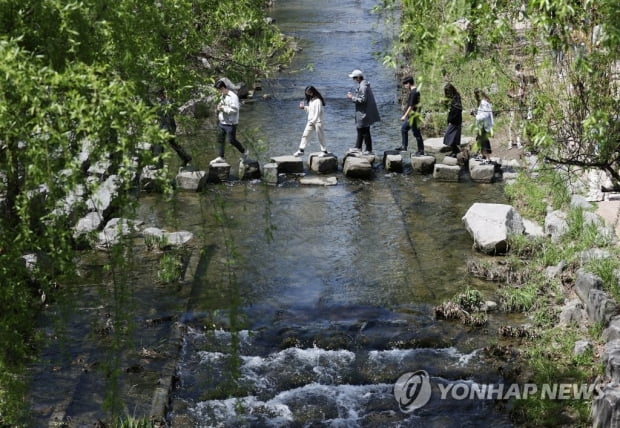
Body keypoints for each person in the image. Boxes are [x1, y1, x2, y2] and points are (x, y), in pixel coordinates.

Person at [212, 80, 249, 164]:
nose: (218, 92)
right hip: (222, 122)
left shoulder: (233, 96)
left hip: (231, 123)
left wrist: (223, 109)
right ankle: (221, 157)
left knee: (232, 140)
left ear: (223, 88)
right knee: (220, 139)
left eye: (219, 90)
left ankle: (244, 152)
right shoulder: (223, 95)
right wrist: (219, 106)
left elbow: (235, 110)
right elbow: (222, 104)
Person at [346, 69, 380, 154]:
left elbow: (363, 100)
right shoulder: (364, 85)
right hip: (363, 111)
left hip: (363, 112)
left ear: (358, 78)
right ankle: (358, 147)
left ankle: (368, 149)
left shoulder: (363, 86)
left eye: (354, 78)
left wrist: (352, 97)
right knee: (361, 129)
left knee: (364, 130)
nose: (353, 80)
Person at [156, 89, 192, 167]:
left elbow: (169, 117)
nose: (157, 97)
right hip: (164, 126)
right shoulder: (161, 103)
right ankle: (186, 157)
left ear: (162, 94)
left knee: (159, 143)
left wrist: (167, 129)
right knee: (173, 144)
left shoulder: (168, 102)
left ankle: (159, 164)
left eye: (158, 95)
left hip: (167, 127)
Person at [294, 86, 328, 157]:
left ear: (313, 91)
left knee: (320, 136)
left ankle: (324, 151)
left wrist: (314, 120)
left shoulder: (318, 100)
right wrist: (304, 107)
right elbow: (311, 110)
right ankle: (301, 150)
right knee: (305, 135)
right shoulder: (311, 100)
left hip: (318, 121)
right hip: (311, 121)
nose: (308, 94)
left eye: (309, 92)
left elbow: (318, 112)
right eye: (307, 93)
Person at [397, 76, 424, 156]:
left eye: (405, 84)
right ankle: (404, 147)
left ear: (408, 83)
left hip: (413, 116)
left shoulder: (413, 92)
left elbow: (411, 106)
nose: (405, 87)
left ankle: (421, 150)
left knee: (416, 133)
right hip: (414, 115)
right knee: (404, 129)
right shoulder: (416, 91)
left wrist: (405, 116)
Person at [471, 88, 494, 159]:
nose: (476, 97)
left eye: (476, 95)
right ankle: (483, 156)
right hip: (482, 124)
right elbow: (482, 112)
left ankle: (487, 158)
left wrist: (475, 115)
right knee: (480, 140)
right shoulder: (483, 102)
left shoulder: (484, 102)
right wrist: (475, 111)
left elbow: (485, 115)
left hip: (484, 125)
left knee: (484, 141)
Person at [442, 83, 462, 157]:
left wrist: (450, 120)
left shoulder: (456, 98)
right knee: (450, 137)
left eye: (448, 92)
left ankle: (456, 151)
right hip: (454, 120)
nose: (447, 93)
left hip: (455, 121)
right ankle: (454, 151)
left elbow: (457, 110)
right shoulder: (454, 97)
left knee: (450, 136)